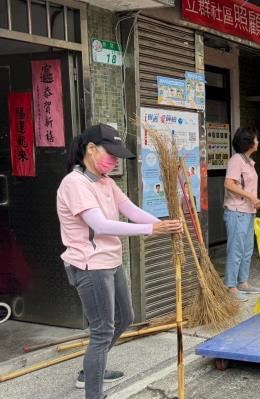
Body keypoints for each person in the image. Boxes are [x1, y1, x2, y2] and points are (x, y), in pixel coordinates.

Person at [56, 124, 182, 399]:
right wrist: (152, 230)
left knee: (125, 317)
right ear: (91, 149)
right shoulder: (74, 183)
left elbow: (130, 210)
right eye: (110, 155)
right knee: (102, 331)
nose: (114, 162)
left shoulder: (105, 181)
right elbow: (99, 225)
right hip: (89, 265)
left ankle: (91, 370)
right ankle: (93, 391)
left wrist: (164, 225)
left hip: (110, 261)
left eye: (117, 157)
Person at [223, 127, 260, 302]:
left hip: (248, 212)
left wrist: (252, 200)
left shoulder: (248, 161)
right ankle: (230, 286)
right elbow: (229, 184)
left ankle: (243, 282)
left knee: (247, 249)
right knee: (236, 249)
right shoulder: (236, 160)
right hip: (237, 211)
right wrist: (251, 197)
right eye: (256, 139)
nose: (258, 142)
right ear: (249, 142)